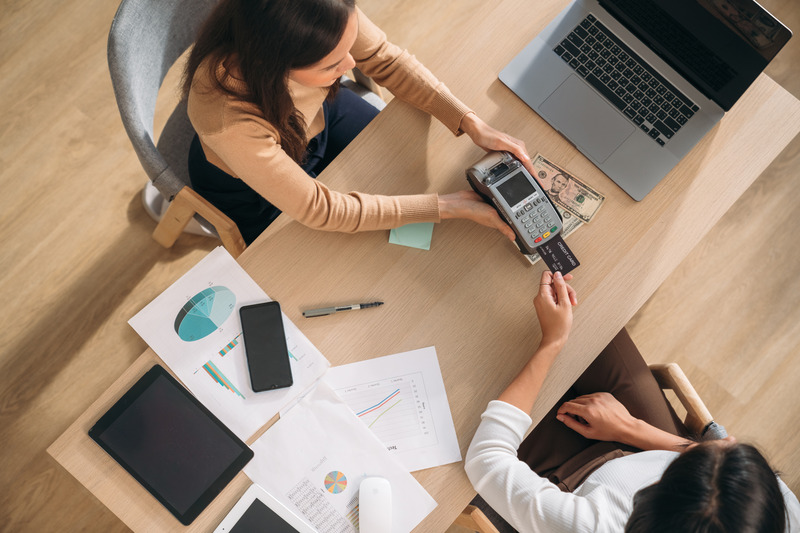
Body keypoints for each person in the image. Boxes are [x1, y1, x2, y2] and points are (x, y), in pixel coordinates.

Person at [465, 270, 800, 532]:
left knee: (469, 402)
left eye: (717, 449)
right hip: (641, 442)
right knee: (584, 305)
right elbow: (716, 463)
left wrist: (552, 343)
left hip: (569, 480)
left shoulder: (594, 526)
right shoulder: (774, 511)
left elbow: (486, 458)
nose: (727, 439)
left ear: (649, 494)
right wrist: (631, 428)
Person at [183, 0, 530, 244]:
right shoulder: (229, 120)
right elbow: (320, 209)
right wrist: (444, 207)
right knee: (360, 251)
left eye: (348, 48)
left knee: (403, 181)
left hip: (318, 120)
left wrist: (469, 121)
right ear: (275, 68)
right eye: (332, 64)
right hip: (250, 189)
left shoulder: (321, 11)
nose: (351, 63)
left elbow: (385, 60)